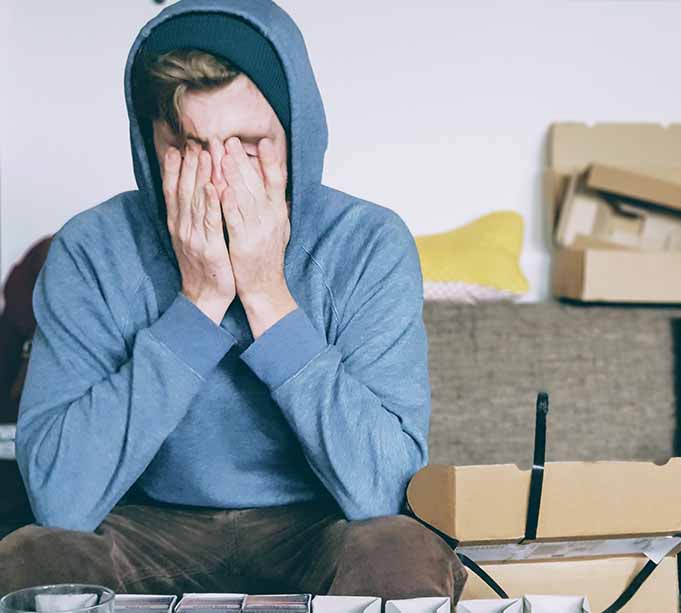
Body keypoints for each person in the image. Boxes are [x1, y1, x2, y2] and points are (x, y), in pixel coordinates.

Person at [0, 0, 468, 600]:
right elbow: (61, 499)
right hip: (146, 525)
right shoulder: (91, 249)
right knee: (32, 557)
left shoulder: (368, 244)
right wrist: (199, 303)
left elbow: (384, 491)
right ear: (150, 143)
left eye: (248, 143)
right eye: (191, 146)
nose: (220, 180)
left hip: (319, 526)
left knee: (398, 548)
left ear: (296, 137)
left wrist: (267, 294)